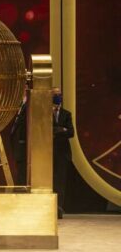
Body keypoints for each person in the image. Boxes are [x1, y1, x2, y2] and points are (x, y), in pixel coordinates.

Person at [52, 87, 74, 219]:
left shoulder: (66, 114)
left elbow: (71, 132)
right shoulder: (44, 112)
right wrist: (61, 129)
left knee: (60, 182)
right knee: (50, 181)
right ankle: (50, 207)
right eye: (55, 94)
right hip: (48, 153)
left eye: (59, 94)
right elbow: (45, 129)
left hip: (62, 153)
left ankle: (59, 208)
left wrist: (56, 130)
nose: (58, 96)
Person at [9, 90, 28, 186]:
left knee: (22, 172)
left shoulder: (29, 105)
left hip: (23, 146)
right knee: (20, 170)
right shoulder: (21, 104)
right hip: (17, 145)